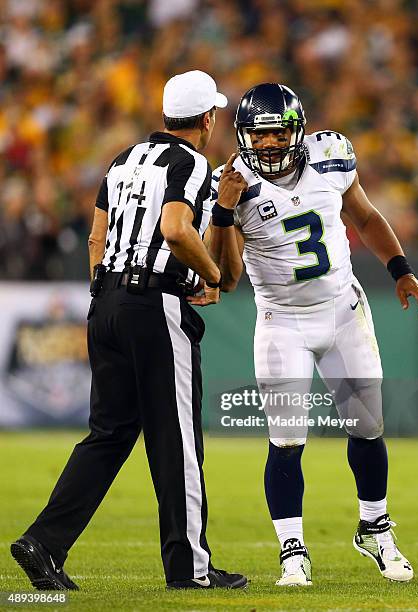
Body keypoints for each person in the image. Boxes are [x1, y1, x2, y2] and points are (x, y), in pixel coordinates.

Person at [10, 70, 247, 591]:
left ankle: (44, 542)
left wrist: (107, 293)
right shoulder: (190, 162)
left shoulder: (123, 160)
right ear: (207, 118)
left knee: (109, 433)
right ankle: (190, 568)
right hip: (153, 305)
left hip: (106, 303)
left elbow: (97, 237)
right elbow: (177, 230)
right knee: (177, 437)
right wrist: (207, 277)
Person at [195, 82, 418, 586]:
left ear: (297, 131)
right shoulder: (229, 182)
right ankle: (292, 551)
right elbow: (225, 275)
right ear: (242, 136)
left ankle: (375, 529)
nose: (267, 145)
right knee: (286, 441)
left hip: (344, 313)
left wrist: (402, 270)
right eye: (257, 136)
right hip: (282, 324)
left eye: (278, 133)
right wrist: (221, 210)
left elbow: (365, 217)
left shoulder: (330, 155)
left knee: (367, 428)